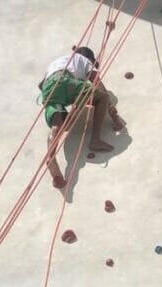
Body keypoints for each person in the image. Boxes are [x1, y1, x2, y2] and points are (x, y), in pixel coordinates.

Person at [39, 46, 125, 188]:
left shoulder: (57, 62)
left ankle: (51, 156)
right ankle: (96, 139)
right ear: (89, 57)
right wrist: (111, 108)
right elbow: (96, 81)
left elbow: (41, 85)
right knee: (101, 98)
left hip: (49, 87)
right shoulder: (83, 59)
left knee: (57, 124)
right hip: (65, 80)